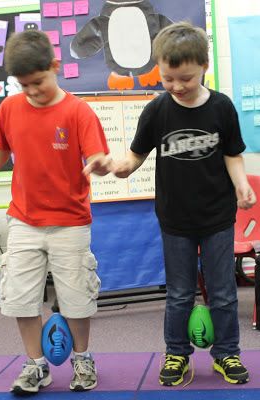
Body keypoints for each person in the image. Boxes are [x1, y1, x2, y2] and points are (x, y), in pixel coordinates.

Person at [0, 30, 111, 394]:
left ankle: (82, 360)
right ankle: (36, 365)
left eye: (38, 82)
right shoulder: (9, 109)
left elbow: (97, 156)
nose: (31, 91)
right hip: (24, 221)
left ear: (55, 66)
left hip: (70, 223)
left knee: (77, 299)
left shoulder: (78, 111)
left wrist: (100, 164)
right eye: (23, 85)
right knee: (20, 297)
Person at [87, 21, 257, 386]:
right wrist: (113, 167)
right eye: (168, 79)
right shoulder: (158, 110)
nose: (177, 86)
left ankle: (226, 354)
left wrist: (242, 185)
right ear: (159, 71)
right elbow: (132, 159)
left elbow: (232, 154)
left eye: (186, 78)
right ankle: (176, 354)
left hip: (217, 215)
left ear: (203, 69)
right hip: (175, 219)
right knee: (179, 293)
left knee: (224, 291)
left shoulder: (222, 108)